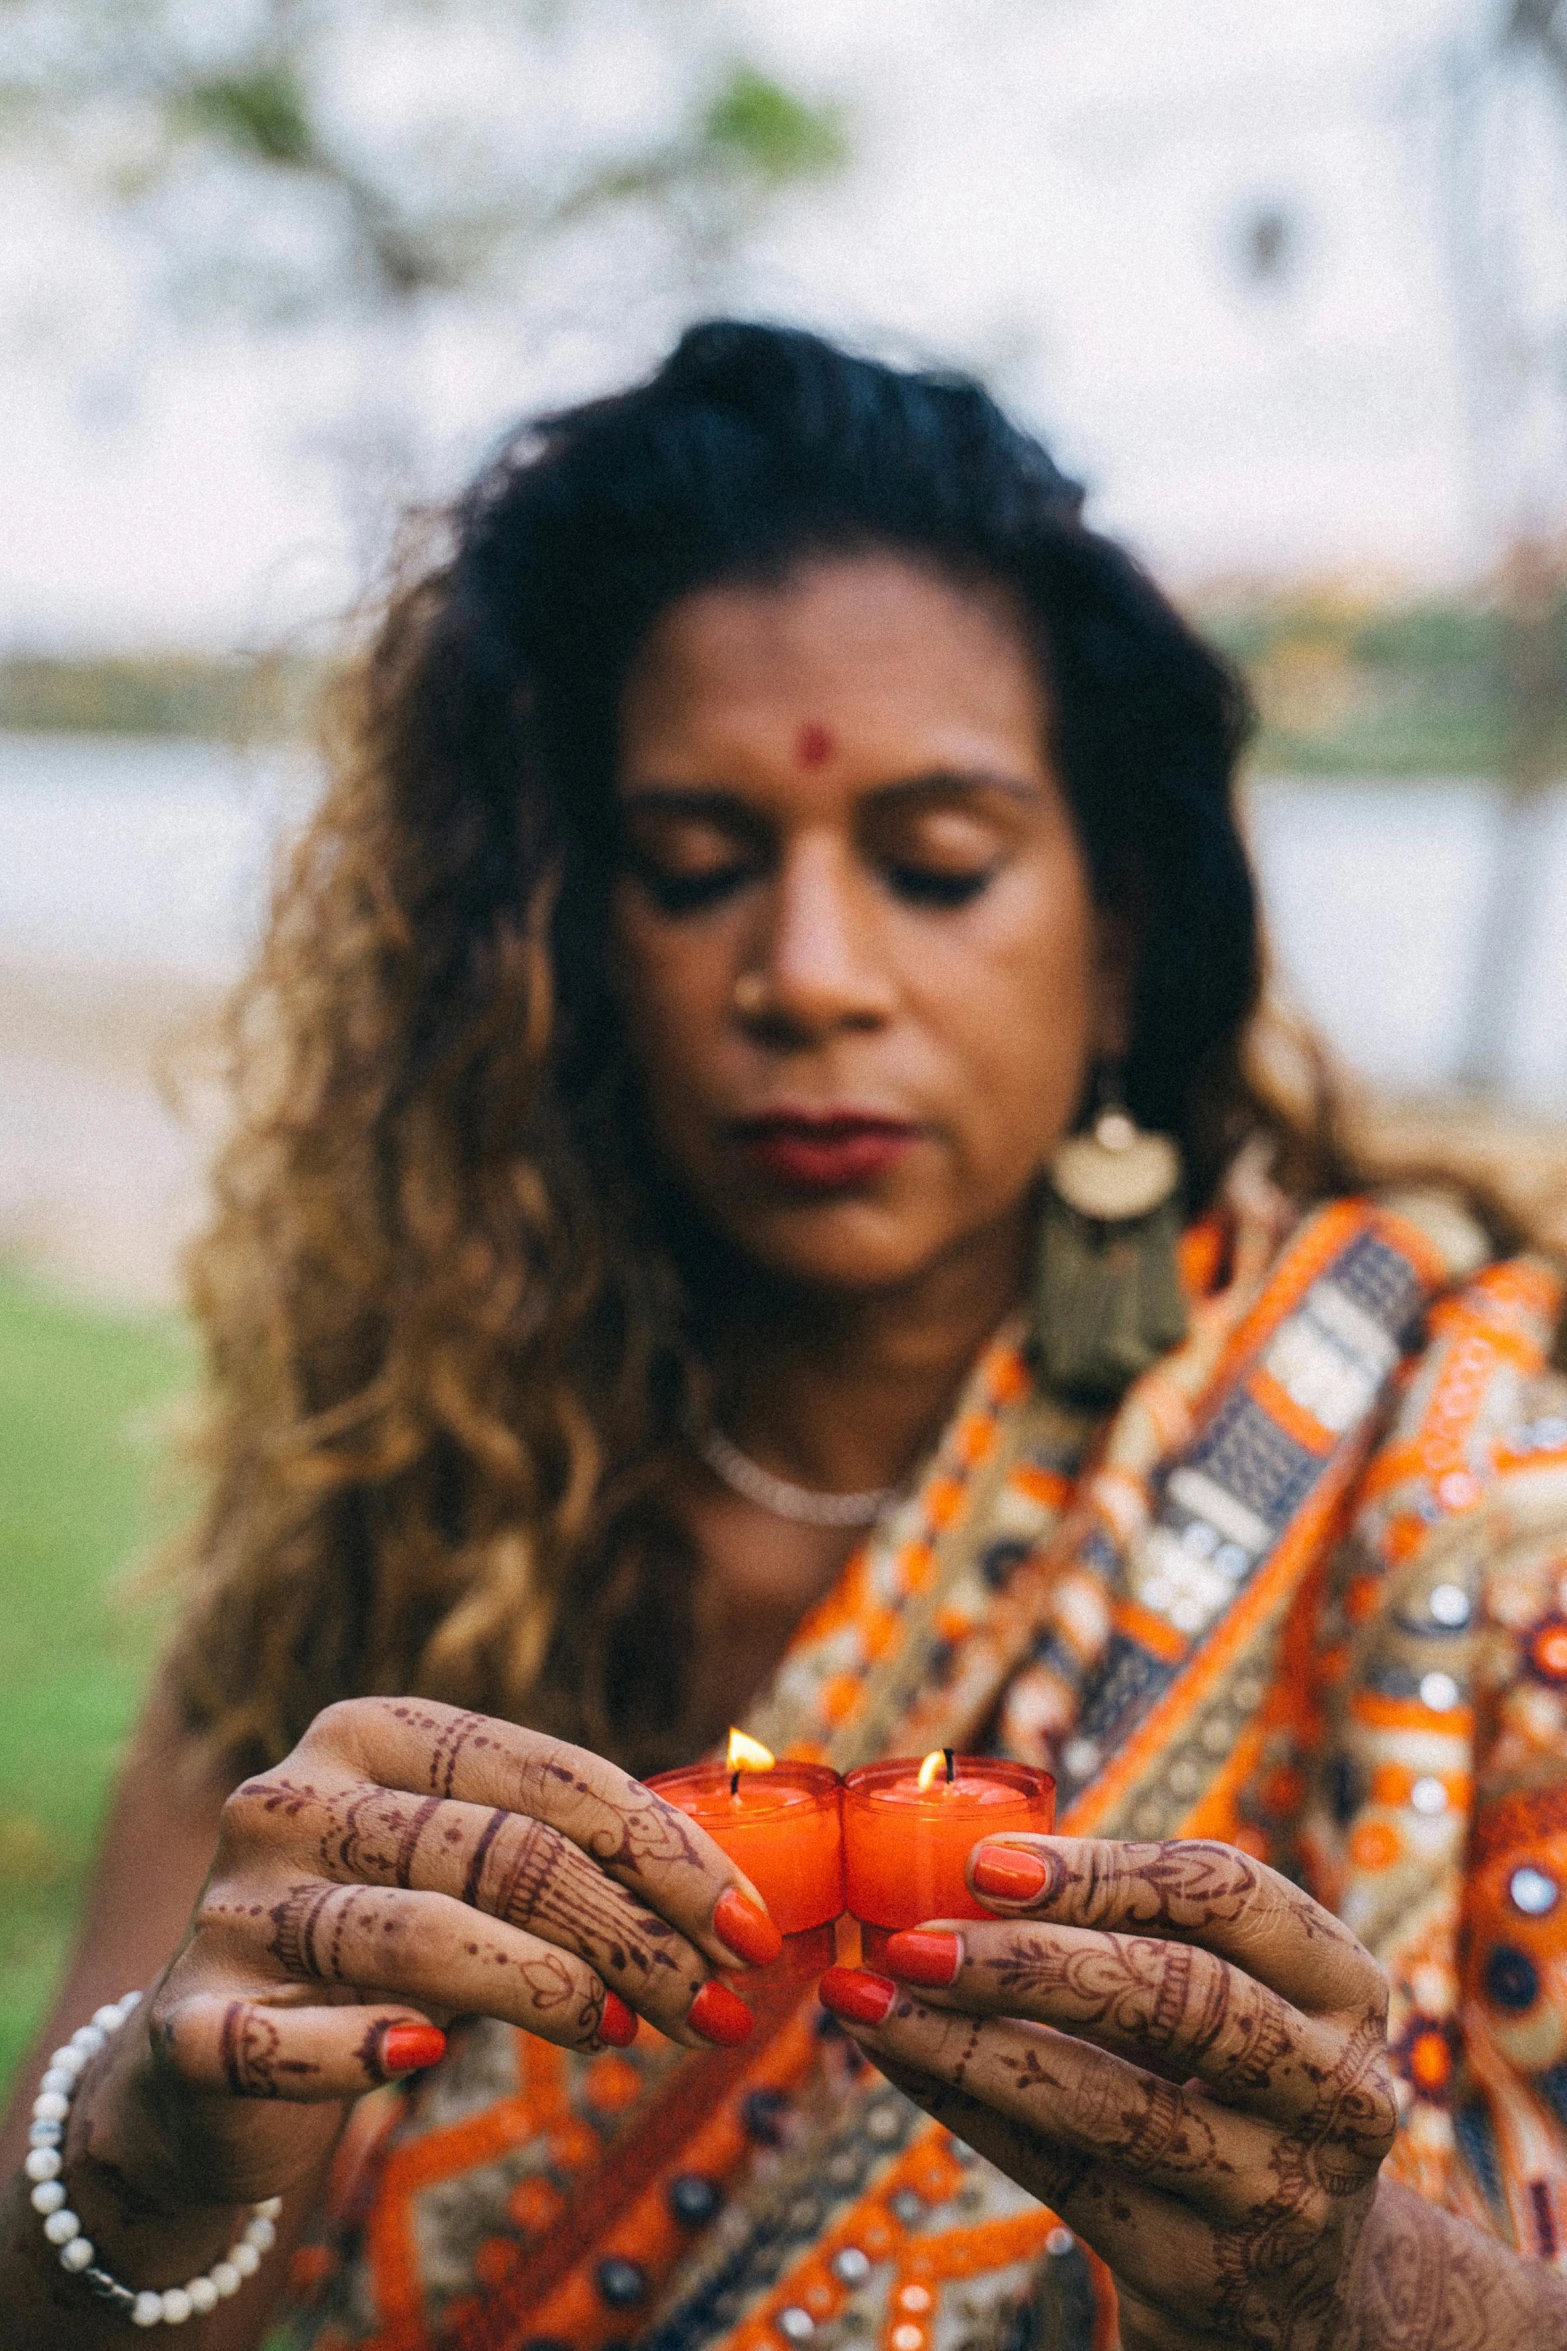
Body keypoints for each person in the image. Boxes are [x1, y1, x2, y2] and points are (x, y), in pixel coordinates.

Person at [4, 320, 1567, 2351]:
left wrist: (1358, 2289)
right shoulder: (397, 1496)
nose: (811, 974)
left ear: (1118, 939)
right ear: (567, 940)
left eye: (936, 865)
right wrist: (144, 2147)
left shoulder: (1466, 1463)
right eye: (695, 867)